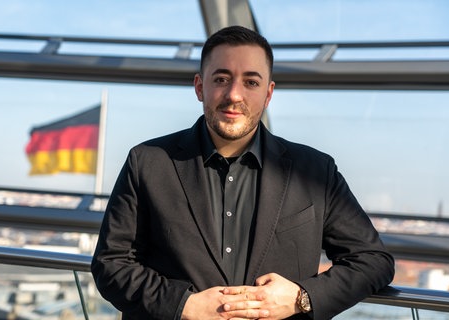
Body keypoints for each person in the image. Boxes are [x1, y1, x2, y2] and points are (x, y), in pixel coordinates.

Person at [91, 25, 394, 320]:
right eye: (221, 79)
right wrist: (183, 306)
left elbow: (373, 261)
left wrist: (302, 297)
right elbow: (111, 264)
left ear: (268, 94)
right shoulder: (147, 162)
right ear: (200, 87)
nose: (234, 95)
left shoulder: (315, 171)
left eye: (251, 82)